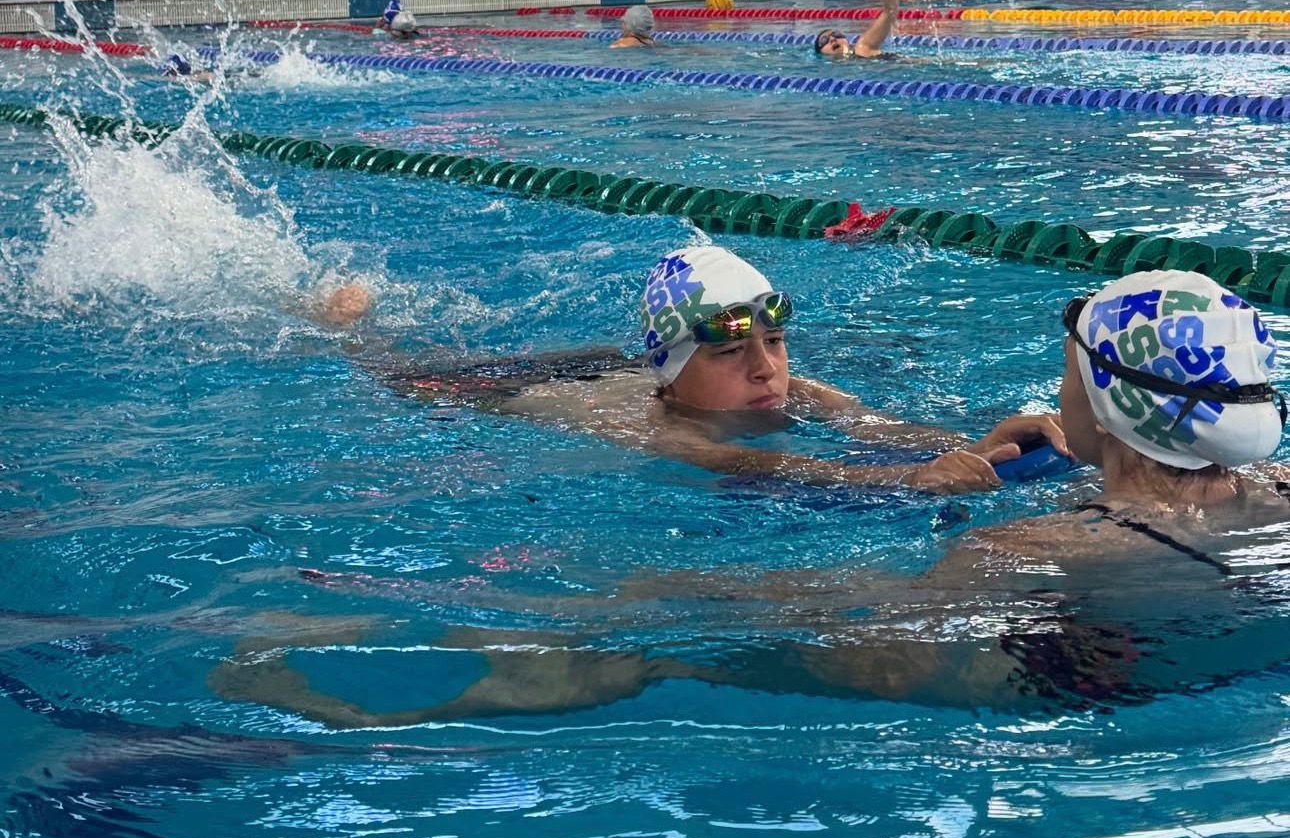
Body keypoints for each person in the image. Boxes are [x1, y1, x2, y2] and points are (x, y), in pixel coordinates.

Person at [211, 271, 1290, 726]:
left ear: (1101, 398)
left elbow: (889, 631)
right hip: (1172, 662)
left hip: (1057, 681)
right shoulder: (1274, 485)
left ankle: (396, 685)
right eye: (739, 350)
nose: (770, 368)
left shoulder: (1036, 549)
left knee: (658, 623)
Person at [381, 244, 1065, 495]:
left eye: (776, 341)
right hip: (509, 386)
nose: (767, 370)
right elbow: (769, 467)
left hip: (617, 364)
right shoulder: (666, 430)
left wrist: (977, 442)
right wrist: (909, 480)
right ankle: (349, 323)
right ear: (672, 374)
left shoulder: (794, 389)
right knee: (396, 370)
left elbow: (876, 427)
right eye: (732, 352)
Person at [814, 0, 906, 59]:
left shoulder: (862, 48)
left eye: (836, 34)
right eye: (824, 40)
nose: (832, 39)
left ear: (846, 40)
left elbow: (890, 11)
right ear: (820, 53)